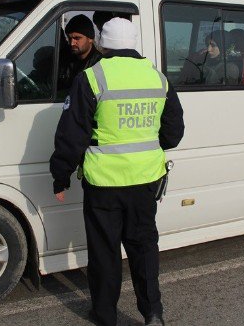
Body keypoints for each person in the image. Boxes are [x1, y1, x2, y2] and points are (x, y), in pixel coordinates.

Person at [50, 18, 185, 326]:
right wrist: (147, 144)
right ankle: (153, 313)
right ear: (133, 42)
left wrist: (61, 175)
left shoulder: (92, 77)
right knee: (144, 248)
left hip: (104, 184)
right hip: (146, 182)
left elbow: (72, 135)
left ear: (102, 44)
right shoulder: (158, 78)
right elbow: (174, 133)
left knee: (105, 253)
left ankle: (105, 315)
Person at [59, 14, 102, 89]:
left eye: (77, 38)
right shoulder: (63, 60)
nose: (72, 43)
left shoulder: (99, 64)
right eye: (69, 38)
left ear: (90, 39)